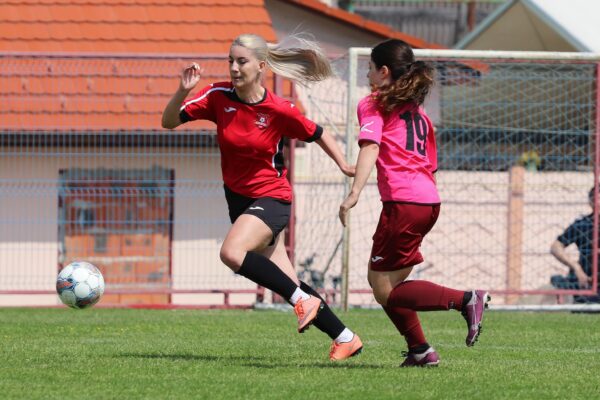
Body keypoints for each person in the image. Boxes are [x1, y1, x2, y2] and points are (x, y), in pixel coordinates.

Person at [162, 33, 363, 360]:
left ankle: (302, 301)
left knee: (231, 252)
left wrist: (343, 164)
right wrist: (183, 91)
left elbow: (318, 133)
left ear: (261, 66)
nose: (234, 67)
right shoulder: (217, 96)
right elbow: (169, 121)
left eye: (241, 61)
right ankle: (345, 336)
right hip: (240, 201)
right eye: (230, 60)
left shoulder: (279, 109)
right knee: (289, 282)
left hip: (272, 198)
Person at [338, 39, 490, 367]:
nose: (367, 75)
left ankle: (465, 300)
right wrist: (366, 170)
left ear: (384, 71)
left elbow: (371, 147)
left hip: (404, 205)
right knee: (387, 283)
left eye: (369, 69)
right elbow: (421, 162)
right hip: (428, 203)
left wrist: (354, 191)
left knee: (384, 289)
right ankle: (420, 351)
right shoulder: (419, 114)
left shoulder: (374, 103)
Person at [550, 186, 600, 303]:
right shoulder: (583, 225)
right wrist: (576, 268)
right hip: (588, 282)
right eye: (596, 199)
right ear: (590, 202)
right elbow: (556, 247)